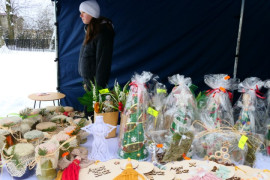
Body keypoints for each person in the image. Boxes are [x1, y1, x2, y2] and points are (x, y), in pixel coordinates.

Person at [78, 0, 115, 118]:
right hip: (89, 80)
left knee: (92, 111)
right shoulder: (91, 30)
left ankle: (92, 125)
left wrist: (98, 88)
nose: (81, 15)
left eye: (83, 12)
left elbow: (103, 62)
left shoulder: (103, 33)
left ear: (91, 13)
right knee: (88, 110)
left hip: (95, 82)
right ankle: (88, 120)